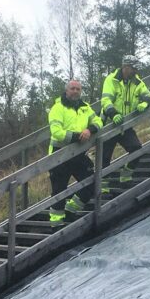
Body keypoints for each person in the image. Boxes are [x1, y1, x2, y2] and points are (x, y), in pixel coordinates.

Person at [47, 79, 102, 224]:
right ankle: (56, 224)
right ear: (66, 90)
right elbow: (56, 132)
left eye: (78, 89)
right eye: (73, 88)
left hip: (78, 154)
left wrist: (89, 130)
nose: (75, 91)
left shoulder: (85, 107)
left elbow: (99, 121)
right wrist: (78, 136)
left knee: (92, 182)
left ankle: (71, 210)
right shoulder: (58, 108)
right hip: (60, 155)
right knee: (59, 191)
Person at [100, 55, 150, 184]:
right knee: (104, 157)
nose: (136, 71)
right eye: (133, 68)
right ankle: (103, 186)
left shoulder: (136, 81)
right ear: (125, 67)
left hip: (126, 124)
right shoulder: (111, 80)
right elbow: (106, 100)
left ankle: (126, 173)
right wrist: (113, 114)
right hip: (110, 124)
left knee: (136, 148)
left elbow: (148, 95)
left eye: (136, 69)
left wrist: (145, 103)